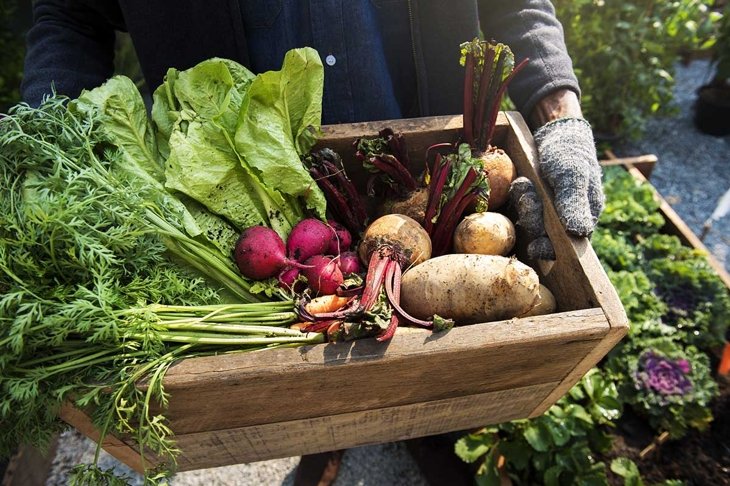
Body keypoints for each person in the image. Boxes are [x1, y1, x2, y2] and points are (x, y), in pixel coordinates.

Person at [21, 0, 603, 483]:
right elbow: (70, 15)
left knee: (439, 356)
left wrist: (557, 109)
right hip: (263, 183)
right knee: (321, 373)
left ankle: (434, 428)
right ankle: (325, 440)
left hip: (424, 161)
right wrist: (41, 149)